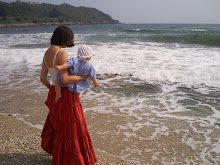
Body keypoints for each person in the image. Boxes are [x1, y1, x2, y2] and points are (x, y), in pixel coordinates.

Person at [40, 25, 98, 165]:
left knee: (61, 126)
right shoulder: (61, 53)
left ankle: (61, 156)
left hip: (54, 92)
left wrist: (52, 90)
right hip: (67, 95)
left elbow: (42, 78)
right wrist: (84, 78)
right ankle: (72, 160)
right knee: (72, 127)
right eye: (69, 39)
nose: (69, 43)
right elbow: (65, 79)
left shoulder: (47, 53)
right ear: (65, 38)